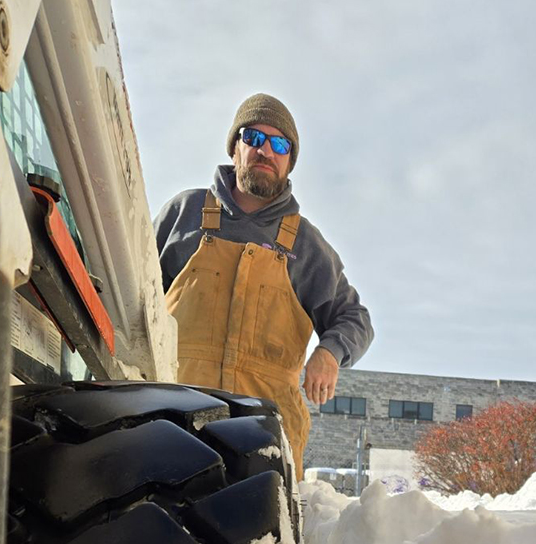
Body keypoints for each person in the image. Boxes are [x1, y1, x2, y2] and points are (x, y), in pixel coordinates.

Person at [154, 94, 373, 478]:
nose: (265, 150)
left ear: (289, 162)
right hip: (173, 426)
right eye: (253, 137)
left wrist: (330, 352)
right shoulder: (184, 214)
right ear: (235, 147)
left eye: (279, 144)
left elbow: (354, 317)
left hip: (263, 444)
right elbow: (129, 297)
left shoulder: (305, 245)